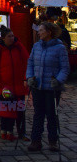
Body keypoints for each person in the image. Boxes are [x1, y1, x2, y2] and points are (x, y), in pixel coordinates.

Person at [26, 22, 70, 152]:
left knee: (52, 114)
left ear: (49, 32)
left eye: (41, 30)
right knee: (38, 114)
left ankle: (52, 141)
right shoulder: (36, 46)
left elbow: (65, 68)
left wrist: (58, 80)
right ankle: (36, 141)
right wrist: (30, 77)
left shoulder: (59, 48)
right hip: (38, 86)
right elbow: (31, 63)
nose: (38, 33)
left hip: (52, 87)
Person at [0, 25, 30, 141]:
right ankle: (6, 130)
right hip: (5, 87)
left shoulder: (19, 47)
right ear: (3, 38)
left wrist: (25, 78)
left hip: (19, 86)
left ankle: (21, 133)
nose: (12, 38)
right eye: (9, 36)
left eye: (12, 36)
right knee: (6, 109)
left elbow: (27, 62)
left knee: (20, 110)